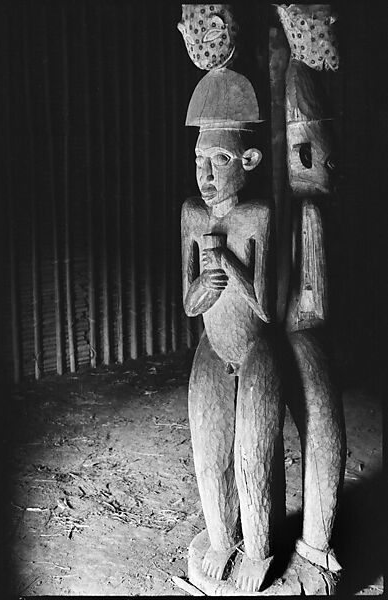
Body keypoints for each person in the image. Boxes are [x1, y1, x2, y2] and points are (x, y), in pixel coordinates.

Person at [181, 71, 284, 593]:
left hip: (255, 346)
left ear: (247, 162)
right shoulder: (191, 217)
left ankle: (261, 548)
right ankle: (222, 539)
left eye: (219, 160)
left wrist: (234, 273)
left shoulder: (258, 217)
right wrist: (204, 280)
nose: (206, 174)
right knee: (209, 446)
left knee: (253, 451)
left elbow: (268, 310)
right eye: (200, 162)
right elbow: (190, 302)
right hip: (211, 345)